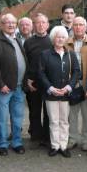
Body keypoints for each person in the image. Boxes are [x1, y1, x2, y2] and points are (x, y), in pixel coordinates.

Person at [0, 13, 28, 156]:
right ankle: (2, 144)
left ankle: (17, 142)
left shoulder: (17, 40)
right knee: (1, 118)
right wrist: (0, 84)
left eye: (13, 23)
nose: (11, 25)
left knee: (17, 117)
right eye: (7, 22)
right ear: (1, 25)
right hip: (3, 88)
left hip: (18, 87)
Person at [39, 26, 80, 158]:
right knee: (53, 121)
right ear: (53, 38)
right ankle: (55, 146)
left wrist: (69, 87)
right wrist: (50, 88)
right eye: (58, 37)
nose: (60, 39)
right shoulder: (45, 54)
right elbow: (41, 73)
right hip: (51, 94)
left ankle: (63, 146)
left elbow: (76, 72)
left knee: (64, 121)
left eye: (63, 37)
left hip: (65, 94)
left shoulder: (70, 54)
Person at [65, 16, 87, 151]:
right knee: (72, 114)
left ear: (86, 27)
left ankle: (86, 139)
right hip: (71, 84)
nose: (78, 27)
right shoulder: (66, 43)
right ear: (72, 27)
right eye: (76, 25)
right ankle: (72, 139)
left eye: (81, 25)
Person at [24, 13, 51, 145]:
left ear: (47, 24)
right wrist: (27, 79)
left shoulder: (52, 40)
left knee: (48, 111)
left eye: (43, 22)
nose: (40, 25)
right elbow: (25, 62)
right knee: (34, 110)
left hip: (49, 82)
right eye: (37, 23)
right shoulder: (28, 42)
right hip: (33, 82)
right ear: (33, 25)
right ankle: (35, 135)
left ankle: (47, 136)